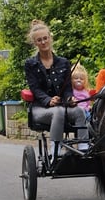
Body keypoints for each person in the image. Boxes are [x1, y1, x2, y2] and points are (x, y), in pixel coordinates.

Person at [24, 19, 88, 158]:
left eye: (45, 38)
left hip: (62, 106)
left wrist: (69, 98)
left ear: (50, 38)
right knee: (58, 111)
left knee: (80, 112)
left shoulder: (63, 62)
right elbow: (34, 88)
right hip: (40, 109)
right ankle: (56, 149)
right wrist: (48, 100)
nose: (43, 42)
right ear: (35, 43)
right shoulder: (30, 64)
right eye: (39, 40)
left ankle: (84, 148)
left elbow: (67, 89)